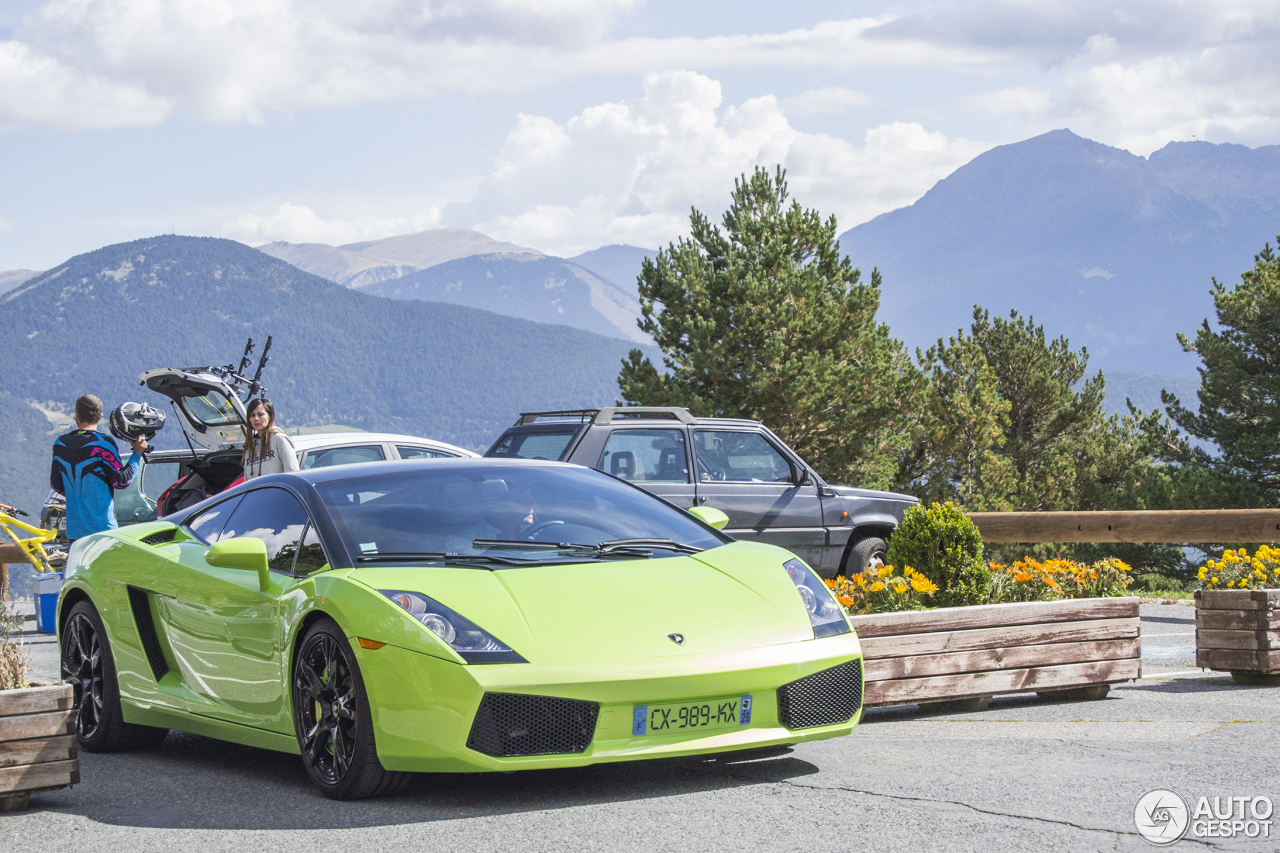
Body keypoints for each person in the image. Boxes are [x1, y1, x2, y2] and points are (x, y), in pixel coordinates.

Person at [50, 394, 148, 542]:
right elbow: (121, 482)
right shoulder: (103, 443)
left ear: (77, 416)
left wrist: (78, 494)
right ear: (100, 416)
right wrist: (137, 454)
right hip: (102, 531)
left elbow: (55, 484)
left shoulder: (60, 443)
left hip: (75, 533)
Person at [243, 398, 300, 480]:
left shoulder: (279, 439)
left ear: (270, 416)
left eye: (260, 414)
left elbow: (293, 473)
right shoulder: (250, 446)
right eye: (252, 415)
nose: (256, 418)